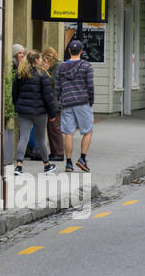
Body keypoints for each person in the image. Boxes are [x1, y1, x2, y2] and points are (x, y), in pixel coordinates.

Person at [12, 50, 57, 175]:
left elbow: (14, 92)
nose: (42, 61)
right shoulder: (43, 74)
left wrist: (18, 105)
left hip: (23, 111)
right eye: (41, 59)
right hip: (39, 111)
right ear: (36, 60)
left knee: (24, 137)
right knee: (41, 139)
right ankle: (47, 165)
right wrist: (52, 114)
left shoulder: (20, 74)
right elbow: (48, 97)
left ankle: (19, 166)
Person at [56, 39, 95, 173]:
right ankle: (82, 158)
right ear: (81, 51)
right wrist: (91, 101)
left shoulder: (61, 67)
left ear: (69, 51)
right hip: (82, 102)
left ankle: (68, 163)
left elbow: (57, 87)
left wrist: (60, 100)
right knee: (88, 131)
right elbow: (90, 86)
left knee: (68, 133)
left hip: (67, 102)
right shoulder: (86, 66)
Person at [41, 46, 65, 161]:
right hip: (53, 101)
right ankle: (55, 152)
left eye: (45, 59)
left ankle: (59, 153)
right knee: (51, 129)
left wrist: (45, 70)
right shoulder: (56, 66)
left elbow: (52, 81)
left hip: (56, 102)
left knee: (55, 128)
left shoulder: (57, 66)